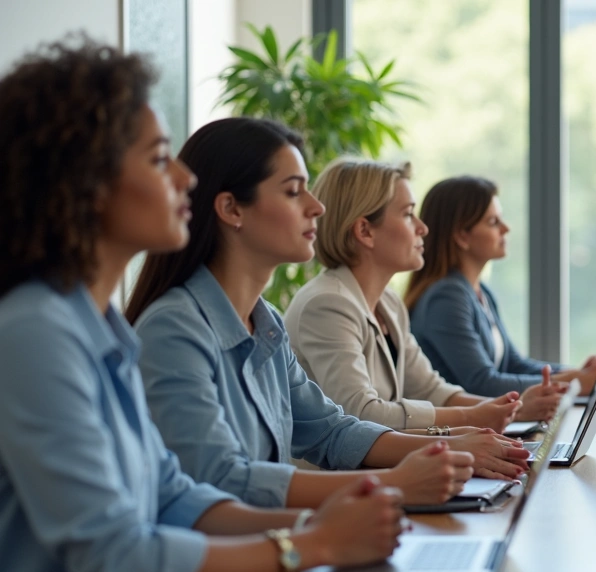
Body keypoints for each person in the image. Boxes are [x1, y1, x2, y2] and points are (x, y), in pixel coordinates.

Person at [0, 40, 419, 572]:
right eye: (159, 158)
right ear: (85, 182)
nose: (184, 178)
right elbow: (120, 560)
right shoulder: (36, 334)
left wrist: (330, 524)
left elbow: (173, 497)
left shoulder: (101, 329)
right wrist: (311, 543)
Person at [125, 118, 529, 510]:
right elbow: (223, 481)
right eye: (293, 191)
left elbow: (331, 430)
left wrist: (450, 445)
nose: (316, 207)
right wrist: (395, 481)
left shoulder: (265, 322)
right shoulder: (174, 329)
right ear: (232, 209)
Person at [285, 158, 564, 430]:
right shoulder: (327, 304)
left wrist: (506, 410)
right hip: (346, 476)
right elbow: (362, 413)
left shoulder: (388, 303)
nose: (423, 228)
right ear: (365, 230)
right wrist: (474, 418)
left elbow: (431, 390)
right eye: (408, 215)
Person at [405, 176, 596, 397]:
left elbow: (513, 364)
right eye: (493, 222)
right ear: (462, 236)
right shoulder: (447, 298)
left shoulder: (480, 291)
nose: (506, 228)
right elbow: (483, 383)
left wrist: (579, 373)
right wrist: (575, 382)